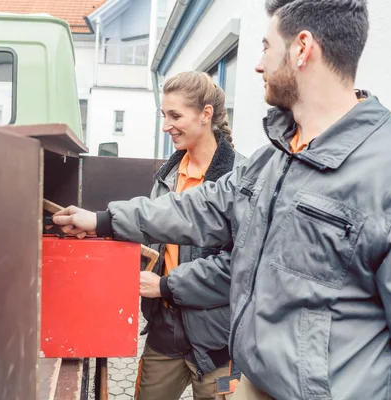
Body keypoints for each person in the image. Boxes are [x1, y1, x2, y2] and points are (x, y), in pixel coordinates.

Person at [54, 0, 391, 399]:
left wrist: (165, 285)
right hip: (250, 382)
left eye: (266, 47)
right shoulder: (273, 160)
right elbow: (198, 207)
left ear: (302, 48)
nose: (257, 64)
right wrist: (101, 220)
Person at [134, 71, 245, 400]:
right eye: (164, 115)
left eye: (175, 116)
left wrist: (166, 285)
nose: (166, 126)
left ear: (205, 115)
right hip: (165, 330)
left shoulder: (243, 178)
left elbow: (242, 266)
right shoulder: (168, 176)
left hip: (219, 341)